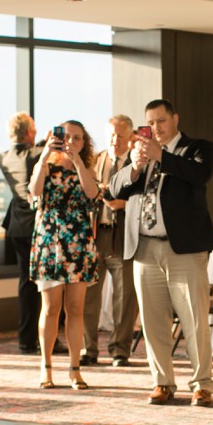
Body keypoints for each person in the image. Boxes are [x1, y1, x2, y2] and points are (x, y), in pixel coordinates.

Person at [110, 98, 213, 407]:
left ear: (175, 120)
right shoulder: (140, 155)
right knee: (152, 321)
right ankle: (162, 383)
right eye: (151, 123)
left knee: (194, 319)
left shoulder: (198, 148)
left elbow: (199, 175)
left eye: (161, 121)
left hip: (183, 249)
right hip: (144, 248)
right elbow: (115, 188)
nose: (156, 128)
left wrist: (161, 156)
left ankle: (202, 384)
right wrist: (135, 166)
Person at [28, 120, 100, 390]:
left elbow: (92, 194)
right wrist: (45, 155)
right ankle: (45, 367)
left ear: (84, 143)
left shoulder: (87, 169)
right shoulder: (44, 166)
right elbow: (34, 191)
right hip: (50, 245)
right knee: (51, 309)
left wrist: (79, 163)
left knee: (75, 309)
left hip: (79, 245)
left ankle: (74, 368)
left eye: (78, 138)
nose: (71, 141)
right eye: (66, 136)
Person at [81, 115, 139, 367]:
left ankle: (120, 350)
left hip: (123, 237)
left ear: (131, 137)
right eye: (111, 135)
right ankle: (88, 349)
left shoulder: (138, 163)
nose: (115, 140)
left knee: (125, 297)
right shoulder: (95, 161)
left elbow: (147, 197)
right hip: (96, 236)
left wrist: (125, 203)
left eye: (120, 135)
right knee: (87, 297)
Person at [0, 113, 45, 354]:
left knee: (25, 283)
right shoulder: (36, 155)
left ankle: (27, 339)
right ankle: (37, 338)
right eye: (34, 129)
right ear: (28, 132)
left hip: (16, 227)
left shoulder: (3, 158)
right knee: (43, 285)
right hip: (36, 227)